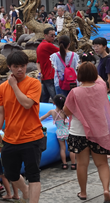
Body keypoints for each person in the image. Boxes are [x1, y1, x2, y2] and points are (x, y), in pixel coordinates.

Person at [0, 51, 43, 203]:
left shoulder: (34, 83)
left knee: (33, 175)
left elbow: (27, 104)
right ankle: (25, 190)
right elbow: (0, 112)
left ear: (26, 66)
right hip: (10, 138)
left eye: (22, 66)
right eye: (16, 66)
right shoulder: (2, 87)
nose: (19, 69)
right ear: (9, 67)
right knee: (10, 173)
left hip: (32, 137)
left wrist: (14, 86)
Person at [64, 62, 110, 202]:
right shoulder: (102, 88)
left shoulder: (75, 92)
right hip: (99, 132)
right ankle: (106, 189)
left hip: (79, 132)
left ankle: (83, 193)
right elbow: (101, 79)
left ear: (79, 76)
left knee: (82, 164)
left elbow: (66, 111)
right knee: (102, 163)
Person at [39, 94, 75, 169]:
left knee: (62, 148)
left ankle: (64, 164)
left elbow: (42, 118)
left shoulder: (52, 112)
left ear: (54, 103)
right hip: (68, 131)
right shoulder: (66, 111)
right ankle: (73, 164)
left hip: (59, 132)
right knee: (71, 148)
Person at [36, 27, 59, 103]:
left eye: (54, 35)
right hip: (50, 76)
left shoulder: (40, 46)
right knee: (56, 98)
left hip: (45, 76)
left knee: (45, 98)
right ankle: (61, 113)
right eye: (51, 35)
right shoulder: (48, 45)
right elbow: (62, 52)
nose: (53, 37)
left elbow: (37, 62)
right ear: (45, 35)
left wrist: (40, 72)